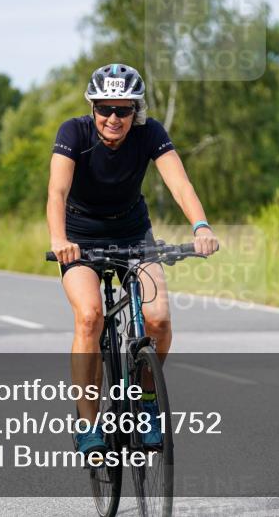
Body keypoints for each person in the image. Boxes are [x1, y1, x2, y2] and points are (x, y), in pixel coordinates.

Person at [47, 63, 219, 456]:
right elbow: (57, 192)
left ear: (135, 111)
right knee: (90, 316)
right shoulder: (73, 132)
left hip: (133, 235)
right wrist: (59, 239)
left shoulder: (150, 133)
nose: (113, 118)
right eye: (105, 108)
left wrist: (201, 227)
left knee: (157, 317)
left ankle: (144, 401)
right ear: (92, 108)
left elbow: (180, 183)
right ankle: (88, 423)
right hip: (80, 239)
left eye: (123, 110)